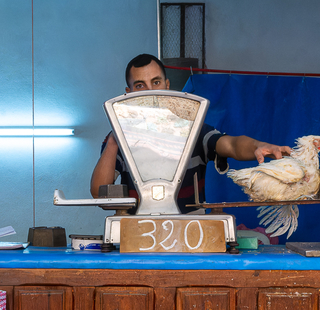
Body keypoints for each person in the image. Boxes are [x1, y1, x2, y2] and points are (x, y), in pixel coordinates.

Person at [90, 54, 292, 212]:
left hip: (191, 232)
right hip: (137, 233)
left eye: (157, 82)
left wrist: (257, 146)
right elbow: (99, 193)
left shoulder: (192, 129)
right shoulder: (118, 140)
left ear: (168, 86)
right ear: (129, 92)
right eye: (140, 86)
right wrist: (114, 140)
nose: (151, 92)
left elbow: (230, 145)